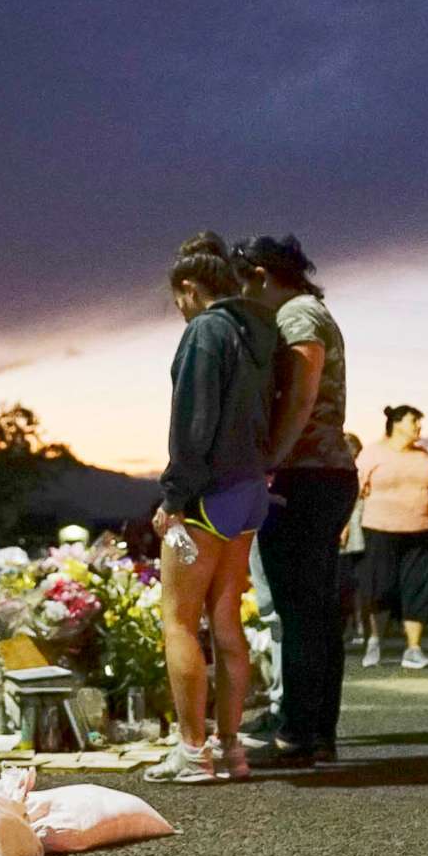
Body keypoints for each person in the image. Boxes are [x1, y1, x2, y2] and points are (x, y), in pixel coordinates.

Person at [146, 233, 280, 784]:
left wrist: (173, 498)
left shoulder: (204, 331)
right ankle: (232, 749)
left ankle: (192, 751)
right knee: (226, 619)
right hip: (249, 491)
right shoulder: (257, 331)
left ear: (188, 289)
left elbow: (194, 424)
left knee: (178, 620)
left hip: (208, 493)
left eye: (176, 299)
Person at [234, 234, 356, 768]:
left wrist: (271, 461)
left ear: (261, 274)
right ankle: (316, 733)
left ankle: (297, 734)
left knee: (300, 610)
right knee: (316, 611)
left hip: (306, 474)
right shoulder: (312, 309)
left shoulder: (298, 315)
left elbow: (303, 391)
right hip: (325, 474)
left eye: (244, 282)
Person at [357, 406, 428, 670]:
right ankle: (374, 640)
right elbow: (357, 488)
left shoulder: (424, 457)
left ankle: (414, 649)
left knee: (417, 587)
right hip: (380, 528)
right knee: (380, 586)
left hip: (422, 528)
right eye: (414, 421)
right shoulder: (372, 452)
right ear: (396, 423)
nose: (419, 426)